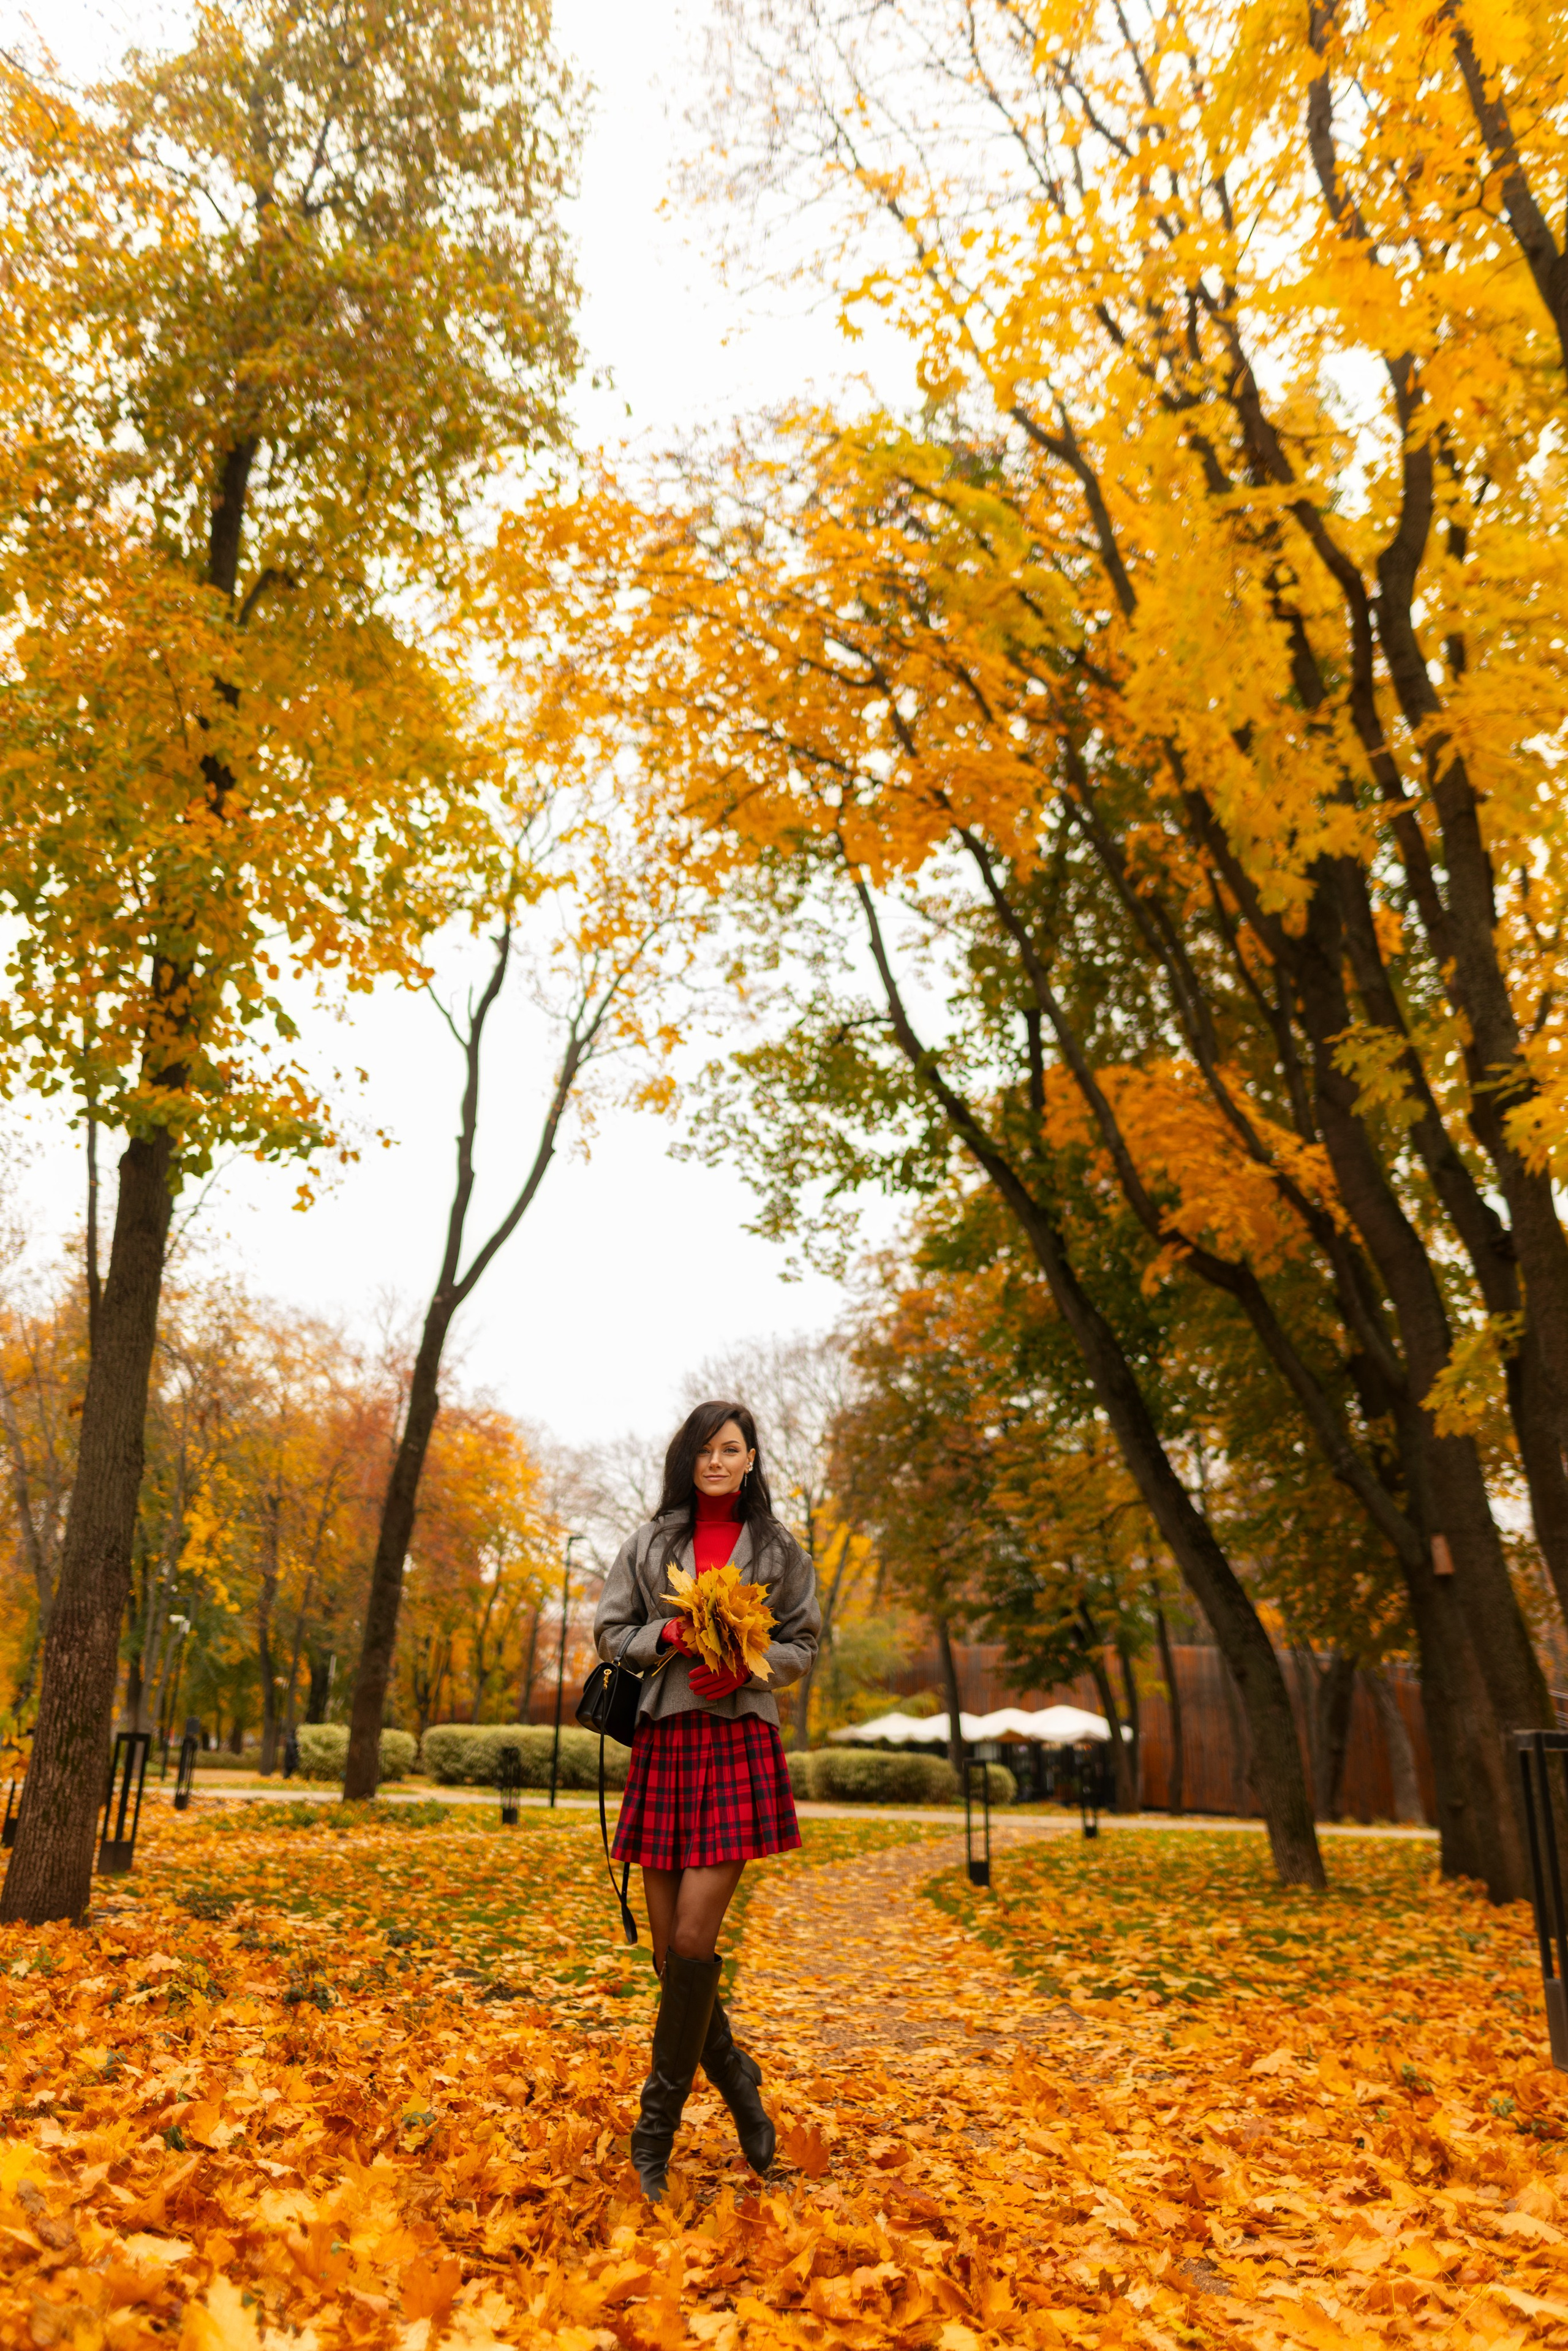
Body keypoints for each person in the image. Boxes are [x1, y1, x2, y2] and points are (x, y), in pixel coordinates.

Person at [594, 1398, 820, 2201]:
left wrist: (752, 1661)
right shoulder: (652, 1543)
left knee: (693, 1938)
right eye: (704, 1450)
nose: (717, 1461)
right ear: (687, 1459)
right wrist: (672, 1639)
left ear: (753, 1456)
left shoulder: (781, 1549)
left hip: (736, 1743)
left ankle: (651, 2136)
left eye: (731, 1448)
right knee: (667, 1956)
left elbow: (805, 1641)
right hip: (665, 1741)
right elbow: (610, 1631)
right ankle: (738, 2077)